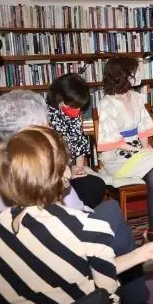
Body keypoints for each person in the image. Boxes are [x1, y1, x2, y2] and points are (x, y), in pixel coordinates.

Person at [0, 90, 153, 304]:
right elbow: (79, 219)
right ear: (37, 128)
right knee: (111, 216)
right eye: (47, 124)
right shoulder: (44, 170)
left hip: (0, 264)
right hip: (57, 263)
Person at [97, 56, 153, 242]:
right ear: (122, 75)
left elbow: (144, 127)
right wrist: (142, 152)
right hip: (117, 157)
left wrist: (146, 147)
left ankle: (152, 232)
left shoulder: (137, 97)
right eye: (133, 71)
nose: (137, 74)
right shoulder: (106, 103)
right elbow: (112, 140)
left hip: (138, 152)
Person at [47, 73, 106, 208]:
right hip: (52, 173)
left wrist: (79, 169)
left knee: (95, 185)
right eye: (75, 106)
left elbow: (79, 140)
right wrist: (66, 171)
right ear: (60, 98)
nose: (78, 110)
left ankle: (83, 216)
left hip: (69, 169)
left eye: (80, 107)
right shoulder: (45, 115)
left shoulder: (74, 112)